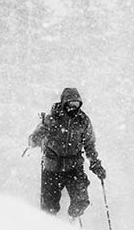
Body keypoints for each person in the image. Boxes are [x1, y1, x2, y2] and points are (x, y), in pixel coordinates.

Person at [28, 87, 106, 220]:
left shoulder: (83, 121)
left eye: (77, 104)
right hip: (52, 168)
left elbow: (89, 145)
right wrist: (42, 131)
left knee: (81, 200)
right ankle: (48, 229)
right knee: (49, 207)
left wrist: (95, 164)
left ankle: (72, 221)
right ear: (64, 103)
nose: (73, 107)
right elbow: (32, 141)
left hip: (74, 168)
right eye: (70, 103)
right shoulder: (52, 118)